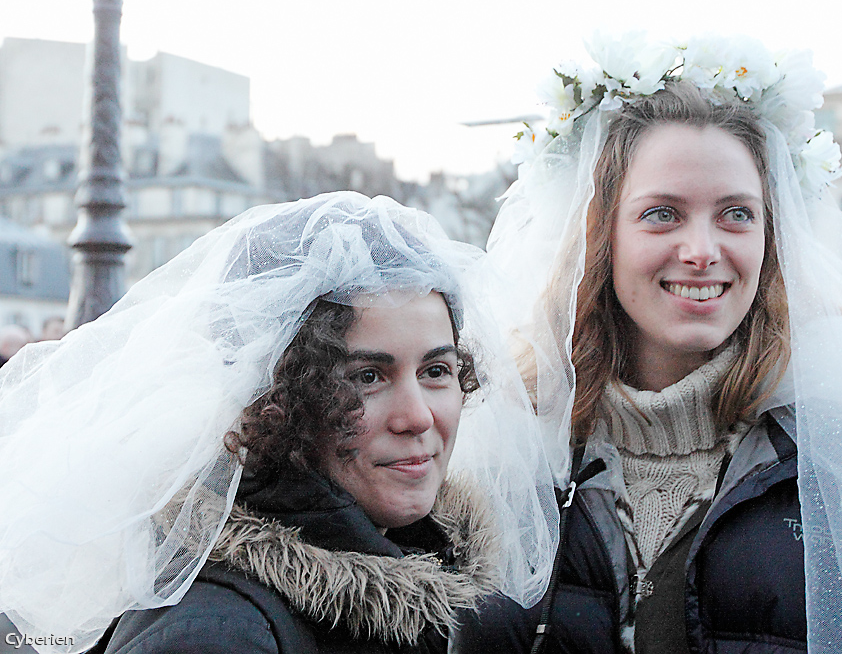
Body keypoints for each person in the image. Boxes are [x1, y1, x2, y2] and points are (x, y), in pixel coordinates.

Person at [458, 33, 842, 653]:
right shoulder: (512, 461)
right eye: (662, 213)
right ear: (599, 234)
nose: (702, 250)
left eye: (736, 213)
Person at [0, 193, 557, 654]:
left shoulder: (446, 583)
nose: (417, 416)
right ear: (280, 399)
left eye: (437, 370)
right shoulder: (214, 635)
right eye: (366, 377)